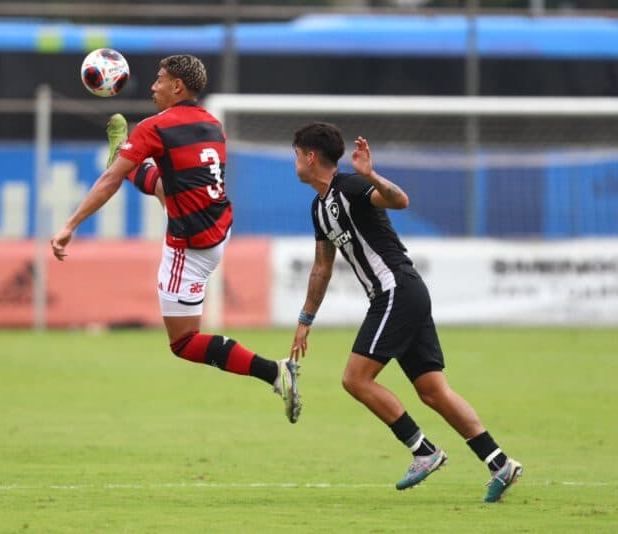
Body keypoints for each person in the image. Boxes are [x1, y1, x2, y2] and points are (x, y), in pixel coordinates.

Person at [50, 54, 301, 423]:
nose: (153, 86)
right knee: (170, 185)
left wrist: (70, 225)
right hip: (220, 226)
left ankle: (275, 372)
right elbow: (180, 182)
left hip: (192, 247)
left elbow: (109, 183)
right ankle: (123, 156)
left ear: (177, 86)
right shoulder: (214, 125)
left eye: (159, 79)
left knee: (183, 342)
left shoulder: (154, 127)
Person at [288, 122, 522, 502]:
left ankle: (423, 449)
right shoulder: (319, 208)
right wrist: (305, 320)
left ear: (310, 157)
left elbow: (400, 201)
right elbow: (322, 268)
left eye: (295, 154)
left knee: (355, 379)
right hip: (403, 293)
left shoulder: (351, 187)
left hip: (395, 289)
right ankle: (499, 463)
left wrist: (372, 176)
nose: (294, 162)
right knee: (433, 390)